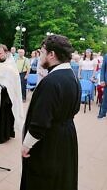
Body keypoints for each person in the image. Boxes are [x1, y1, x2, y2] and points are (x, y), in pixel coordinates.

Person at [20, 35, 81, 190]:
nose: (40, 56)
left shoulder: (51, 82)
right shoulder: (72, 77)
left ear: (51, 55)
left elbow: (40, 122)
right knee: (61, 180)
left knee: (42, 181)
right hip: (66, 138)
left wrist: (26, 145)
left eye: (42, 52)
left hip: (49, 142)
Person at [98, 53, 107, 118]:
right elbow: (103, 69)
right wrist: (102, 80)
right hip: (106, 81)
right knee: (105, 98)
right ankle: (102, 113)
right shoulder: (106, 55)